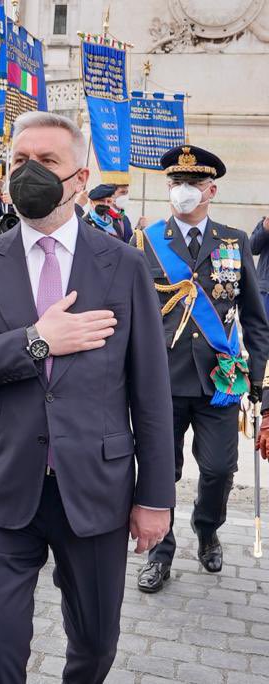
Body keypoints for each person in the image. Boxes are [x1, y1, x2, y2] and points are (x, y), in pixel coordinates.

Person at [0, 111, 174, 683]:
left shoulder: (125, 265)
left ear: (80, 177)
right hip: (1, 489)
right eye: (20, 161)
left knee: (95, 646)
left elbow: (151, 392)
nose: (30, 173)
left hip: (94, 491)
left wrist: (155, 497)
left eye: (47, 162)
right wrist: (36, 341)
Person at [133, 145, 269, 593]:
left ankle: (207, 527)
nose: (182, 192)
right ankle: (160, 551)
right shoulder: (146, 239)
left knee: (218, 470)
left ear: (211, 190)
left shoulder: (233, 241)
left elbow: (254, 318)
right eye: (176, 184)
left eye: (192, 185)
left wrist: (258, 380)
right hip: (161, 381)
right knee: (160, 470)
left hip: (219, 383)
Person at [249, 214, 269, 315]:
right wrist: (265, 229)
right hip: (266, 290)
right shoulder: (265, 222)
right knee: (263, 328)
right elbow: (252, 248)